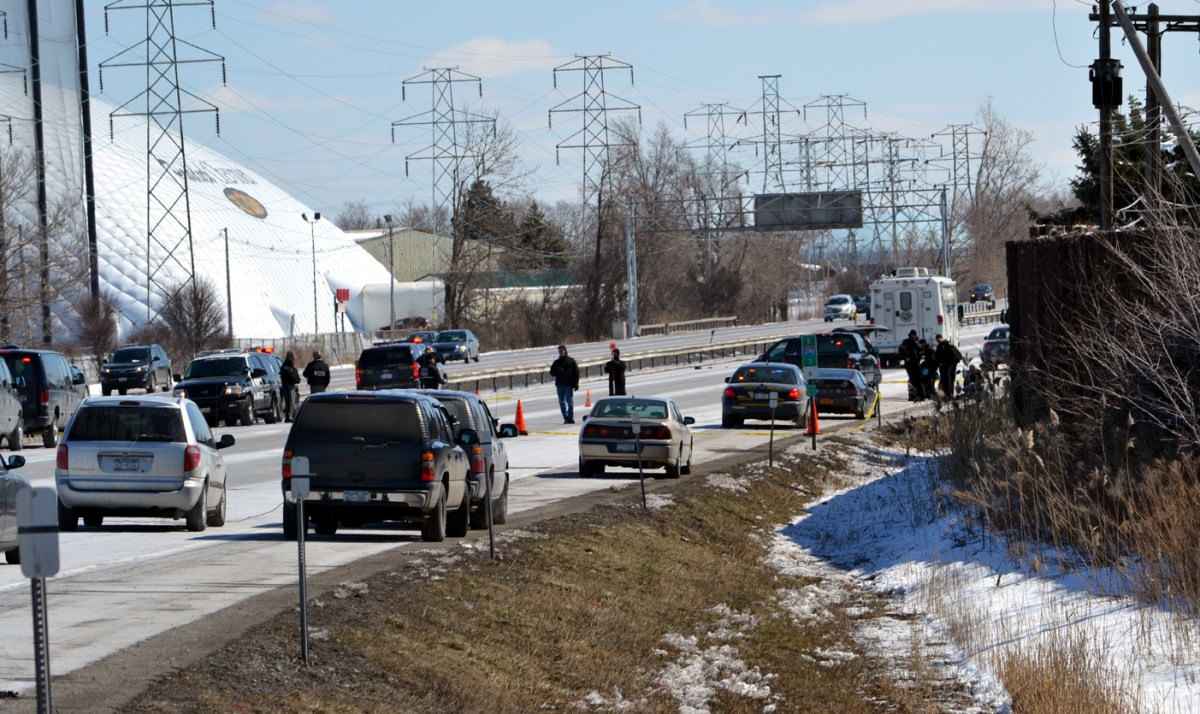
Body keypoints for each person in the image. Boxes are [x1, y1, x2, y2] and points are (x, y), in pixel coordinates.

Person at [549, 344, 580, 424]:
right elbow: (552, 373)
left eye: (561, 351)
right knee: (561, 402)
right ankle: (566, 417)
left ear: (565, 351)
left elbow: (576, 372)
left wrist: (576, 383)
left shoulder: (571, 361)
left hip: (569, 385)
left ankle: (571, 417)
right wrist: (557, 371)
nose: (560, 352)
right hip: (560, 385)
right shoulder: (556, 362)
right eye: (559, 351)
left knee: (569, 401)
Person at [934, 334, 963, 399]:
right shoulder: (940, 345)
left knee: (949, 380)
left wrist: (955, 361)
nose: (938, 341)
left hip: (948, 366)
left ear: (942, 338)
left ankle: (949, 394)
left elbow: (955, 351)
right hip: (945, 366)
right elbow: (937, 357)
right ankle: (948, 394)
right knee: (947, 380)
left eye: (939, 339)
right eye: (937, 340)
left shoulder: (947, 344)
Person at [899, 329, 924, 402]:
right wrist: (906, 357)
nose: (913, 336)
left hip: (917, 363)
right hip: (910, 364)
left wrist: (921, 354)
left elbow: (922, 350)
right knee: (912, 379)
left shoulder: (917, 342)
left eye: (914, 335)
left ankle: (921, 395)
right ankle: (912, 396)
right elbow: (901, 349)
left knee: (919, 380)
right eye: (912, 335)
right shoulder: (906, 342)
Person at [280, 351, 301, 422]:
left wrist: (297, 379)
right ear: (290, 357)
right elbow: (290, 376)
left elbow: (295, 375)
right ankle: (288, 416)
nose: (294, 359)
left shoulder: (291, 366)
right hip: (288, 386)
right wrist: (296, 379)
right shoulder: (286, 366)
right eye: (293, 357)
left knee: (292, 401)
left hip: (291, 385)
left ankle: (290, 416)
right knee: (289, 401)